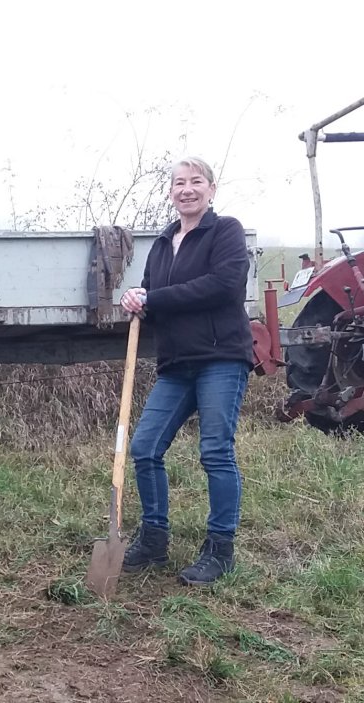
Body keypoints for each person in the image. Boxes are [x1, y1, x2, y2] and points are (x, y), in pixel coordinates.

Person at [119, 156, 253, 586]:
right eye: (179, 183)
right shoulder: (161, 244)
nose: (187, 189)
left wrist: (155, 298)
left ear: (211, 190)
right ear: (171, 192)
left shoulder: (225, 231)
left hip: (220, 358)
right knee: (144, 448)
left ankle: (220, 550)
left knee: (215, 451)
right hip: (176, 365)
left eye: (196, 182)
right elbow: (157, 300)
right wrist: (139, 300)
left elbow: (223, 285)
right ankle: (154, 539)